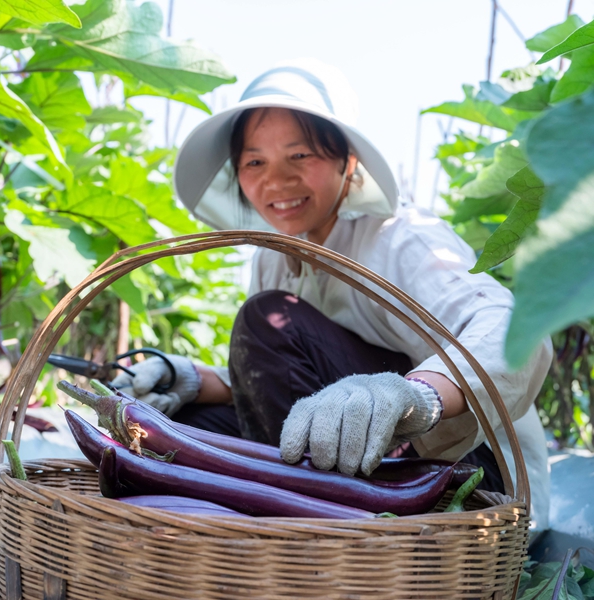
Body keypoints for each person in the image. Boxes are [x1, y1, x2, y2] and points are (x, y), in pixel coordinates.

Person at [111, 59, 552, 530]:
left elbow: (514, 331)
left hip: (468, 475)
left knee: (266, 320)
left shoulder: (401, 237)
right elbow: (288, 376)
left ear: (349, 161)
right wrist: (194, 379)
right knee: (181, 430)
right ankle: (302, 520)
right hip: (366, 464)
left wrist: (415, 397)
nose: (276, 181)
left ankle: (323, 527)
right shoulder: (273, 257)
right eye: (255, 162)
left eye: (300, 156)